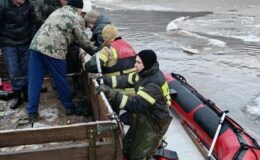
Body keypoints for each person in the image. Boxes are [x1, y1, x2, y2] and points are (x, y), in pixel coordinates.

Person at [97, 49, 173, 160]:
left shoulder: (153, 84)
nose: (134, 65)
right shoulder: (143, 73)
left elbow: (136, 105)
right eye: (135, 61)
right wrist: (102, 79)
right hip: (144, 116)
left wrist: (111, 93)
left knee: (138, 156)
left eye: (138, 62)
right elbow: (124, 80)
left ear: (146, 64)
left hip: (154, 122)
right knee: (126, 147)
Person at [26, 0, 95, 120]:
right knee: (60, 79)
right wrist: (95, 51)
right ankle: (69, 106)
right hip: (54, 50)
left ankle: (32, 112)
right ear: (79, 9)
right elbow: (83, 41)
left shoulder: (58, 11)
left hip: (35, 46)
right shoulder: (76, 17)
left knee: (34, 80)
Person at [0, 0, 37, 109]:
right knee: (14, 71)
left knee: (26, 69)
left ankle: (26, 94)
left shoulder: (29, 5)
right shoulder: (2, 4)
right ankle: (17, 97)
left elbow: (33, 24)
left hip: (25, 42)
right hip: (8, 43)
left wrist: (33, 42)